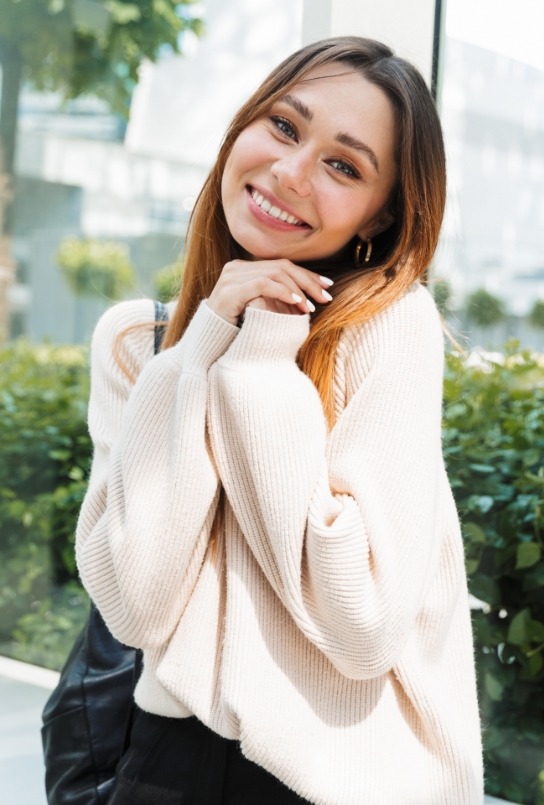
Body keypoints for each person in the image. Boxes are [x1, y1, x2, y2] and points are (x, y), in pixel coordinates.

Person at [75, 36, 484, 804]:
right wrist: (201, 348)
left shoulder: (390, 327)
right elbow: (132, 605)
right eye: (286, 127)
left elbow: (360, 624)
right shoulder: (139, 343)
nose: (291, 174)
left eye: (344, 165)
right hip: (168, 764)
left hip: (342, 781)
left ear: (382, 210)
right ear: (243, 126)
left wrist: (262, 352)